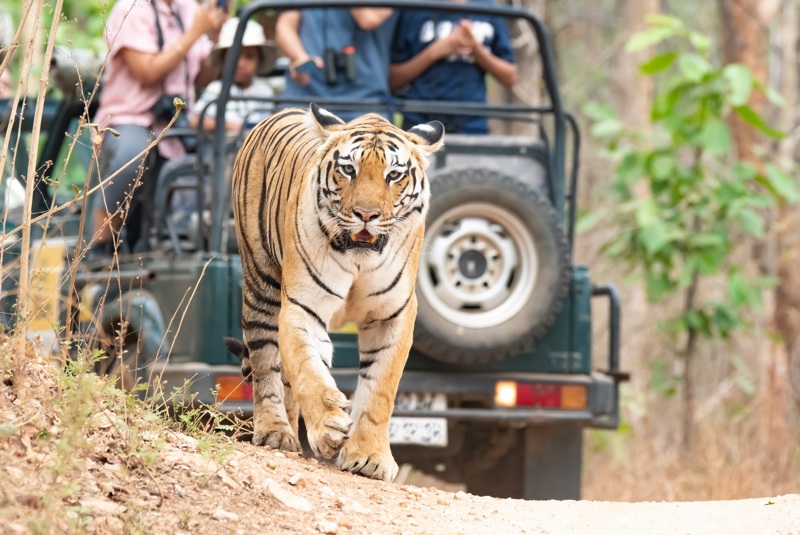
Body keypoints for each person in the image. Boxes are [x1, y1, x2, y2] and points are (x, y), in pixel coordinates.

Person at [90, 0, 226, 255]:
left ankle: (187, 247)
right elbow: (147, 73)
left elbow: (201, 78)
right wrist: (195, 32)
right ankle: (99, 247)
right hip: (129, 117)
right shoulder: (129, 8)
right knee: (133, 154)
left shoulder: (188, 9)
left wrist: (216, 38)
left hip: (176, 123)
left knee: (221, 155)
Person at [390, 0, 517, 134]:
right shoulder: (414, 8)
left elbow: (510, 77)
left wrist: (475, 49)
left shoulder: (489, 9)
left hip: (473, 125)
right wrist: (433, 53)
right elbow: (392, 79)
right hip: (419, 122)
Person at [275, 7, 397, 120]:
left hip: (366, 102)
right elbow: (285, 26)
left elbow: (368, 19)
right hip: (303, 96)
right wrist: (301, 58)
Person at [191, 17, 277, 132]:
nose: (241, 63)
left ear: (259, 60)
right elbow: (195, 121)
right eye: (234, 55)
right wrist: (225, 125)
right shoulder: (216, 89)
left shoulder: (265, 92)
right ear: (223, 59)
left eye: (249, 56)